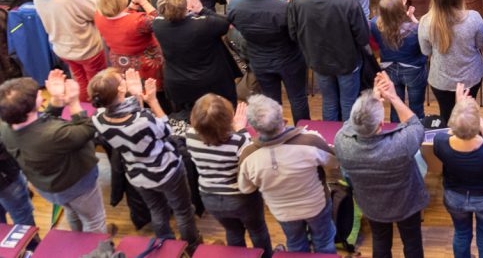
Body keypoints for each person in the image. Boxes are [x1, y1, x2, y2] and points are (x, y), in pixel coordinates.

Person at [89, 68, 201, 250]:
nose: (125, 79)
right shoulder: (143, 118)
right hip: (167, 172)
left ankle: (165, 245)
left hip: (138, 175)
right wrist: (152, 101)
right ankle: (191, 246)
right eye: (121, 79)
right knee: (183, 211)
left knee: (158, 211)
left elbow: (135, 126)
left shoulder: (98, 118)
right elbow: (167, 131)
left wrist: (136, 97)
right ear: (119, 90)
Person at [334, 73, 428, 258]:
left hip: (372, 205)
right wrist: (392, 96)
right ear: (381, 123)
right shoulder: (399, 145)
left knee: (381, 243)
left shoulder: (342, 143)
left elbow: (350, 124)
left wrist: (371, 100)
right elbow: (415, 125)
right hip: (407, 203)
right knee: (413, 245)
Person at [0, 71, 106, 232]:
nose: (42, 95)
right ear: (28, 110)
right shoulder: (54, 134)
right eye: (37, 95)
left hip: (49, 187)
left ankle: (79, 240)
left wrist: (56, 101)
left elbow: (39, 122)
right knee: (95, 221)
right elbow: (88, 129)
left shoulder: (6, 127)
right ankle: (99, 251)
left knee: (72, 211)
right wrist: (73, 102)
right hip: (77, 185)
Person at [238, 94, 339, 254]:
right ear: (283, 120)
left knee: (295, 244)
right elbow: (334, 163)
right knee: (324, 241)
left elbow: (246, 188)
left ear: (255, 129)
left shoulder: (247, 155)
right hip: (316, 205)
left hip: (282, 212)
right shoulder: (310, 141)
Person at [288, 0, 371, 122]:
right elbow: (363, 38)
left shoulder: (297, 2)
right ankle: (348, 141)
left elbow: (293, 33)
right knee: (348, 103)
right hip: (347, 63)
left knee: (329, 103)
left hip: (319, 62)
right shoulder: (349, 4)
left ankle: (330, 142)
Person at [186, 95, 272, 255]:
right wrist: (241, 129)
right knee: (258, 231)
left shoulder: (190, 135)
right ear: (228, 120)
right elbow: (254, 158)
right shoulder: (239, 140)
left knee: (233, 232)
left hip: (210, 198)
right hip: (241, 198)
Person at [227, 0, 309, 121]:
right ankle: (304, 131)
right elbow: (295, 35)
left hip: (260, 62)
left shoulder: (235, 6)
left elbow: (235, 27)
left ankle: (275, 131)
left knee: (272, 102)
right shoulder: (284, 7)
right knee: (298, 99)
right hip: (290, 60)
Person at [431, 85, 483, 258]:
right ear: (477, 124)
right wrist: (478, 120)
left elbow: (452, 130)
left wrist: (459, 109)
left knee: (461, 233)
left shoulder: (441, 142)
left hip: (454, 197)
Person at [152, 0, 238, 112]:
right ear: (185, 7)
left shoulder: (157, 24)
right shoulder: (202, 25)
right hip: (212, 82)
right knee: (226, 112)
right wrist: (201, 9)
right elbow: (226, 24)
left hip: (180, 84)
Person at [23, 0, 105, 86]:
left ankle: (82, 103)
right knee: (97, 82)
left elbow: (64, 7)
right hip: (88, 50)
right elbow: (97, 12)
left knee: (80, 81)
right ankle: (99, 103)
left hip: (63, 50)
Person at [418, 0, 483, 125]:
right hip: (470, 78)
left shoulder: (425, 21)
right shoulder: (474, 18)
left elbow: (426, 51)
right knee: (468, 114)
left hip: (441, 81)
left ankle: (449, 142)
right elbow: (480, 45)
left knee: (447, 116)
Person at [370, 0, 427, 120]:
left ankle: (396, 134)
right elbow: (424, 37)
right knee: (416, 108)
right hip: (413, 70)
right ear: (401, 10)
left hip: (389, 69)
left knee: (395, 107)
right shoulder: (414, 29)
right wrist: (412, 18)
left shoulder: (374, 24)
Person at [93, 0, 162, 85]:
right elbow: (161, 22)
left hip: (123, 65)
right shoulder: (139, 21)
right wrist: (143, 1)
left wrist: (134, 3)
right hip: (147, 66)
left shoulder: (98, 16)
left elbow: (119, 16)